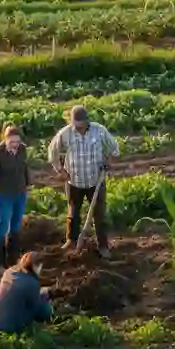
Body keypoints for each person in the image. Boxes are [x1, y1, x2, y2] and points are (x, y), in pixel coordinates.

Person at [47, 104, 119, 258]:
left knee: (99, 214)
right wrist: (60, 170)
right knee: (73, 213)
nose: (78, 127)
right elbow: (52, 151)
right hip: (74, 181)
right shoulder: (65, 133)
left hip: (96, 180)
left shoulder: (99, 131)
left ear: (87, 121)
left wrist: (109, 162)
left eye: (81, 124)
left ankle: (103, 246)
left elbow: (114, 148)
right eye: (76, 124)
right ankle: (71, 241)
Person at [0, 122, 31, 273]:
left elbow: (25, 167)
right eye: (12, 142)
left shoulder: (22, 149)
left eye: (17, 141)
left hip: (20, 193)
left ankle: (13, 259)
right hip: (4, 195)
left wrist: (28, 184)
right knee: (2, 227)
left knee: (16, 226)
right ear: (4, 139)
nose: (15, 145)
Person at [0, 250, 52, 333]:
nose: (41, 268)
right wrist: (45, 302)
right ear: (34, 266)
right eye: (39, 265)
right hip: (10, 326)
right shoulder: (32, 283)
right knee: (45, 308)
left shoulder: (9, 272)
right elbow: (35, 308)